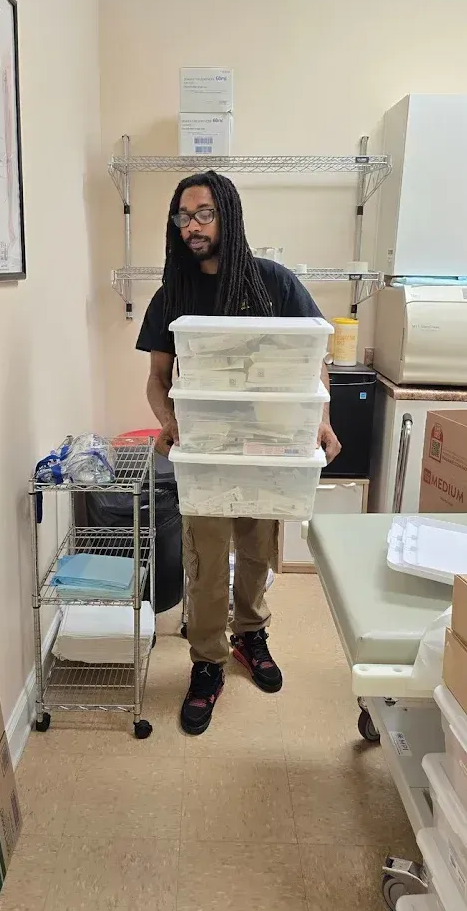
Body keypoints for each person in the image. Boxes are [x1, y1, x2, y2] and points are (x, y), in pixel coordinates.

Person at [136, 170, 341, 735]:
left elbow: (314, 361)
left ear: (227, 216)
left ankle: (250, 634)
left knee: (256, 549)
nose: (192, 226)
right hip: (205, 450)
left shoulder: (273, 284)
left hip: (269, 444)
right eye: (183, 217)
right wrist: (169, 421)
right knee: (205, 559)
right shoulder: (172, 294)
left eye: (204, 214)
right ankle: (207, 660)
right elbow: (157, 378)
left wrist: (321, 420)